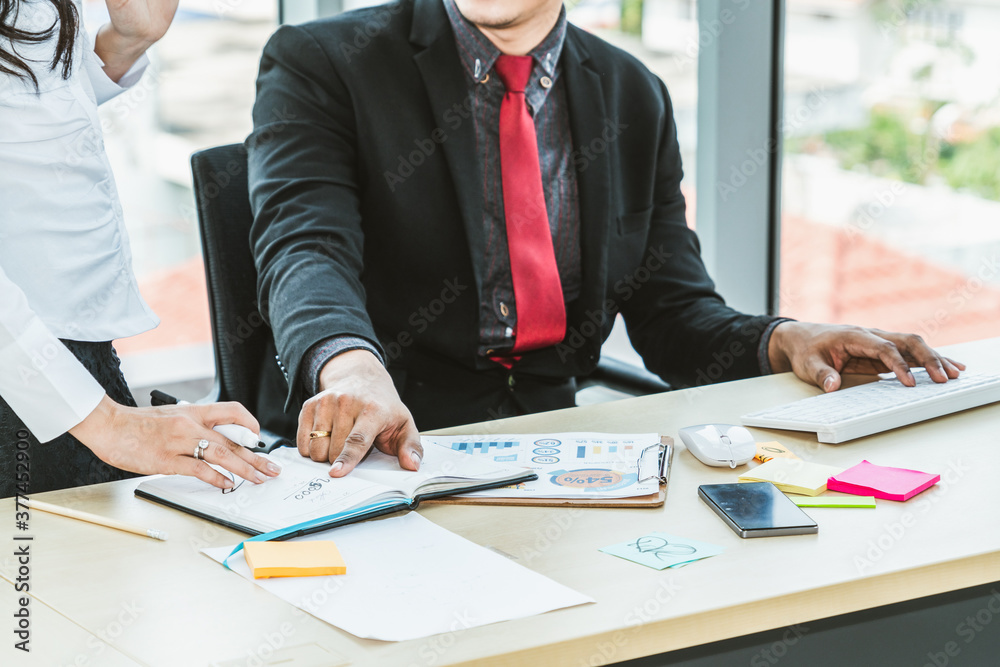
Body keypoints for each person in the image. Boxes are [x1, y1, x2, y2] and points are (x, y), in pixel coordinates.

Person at [247, 0, 964, 478]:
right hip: (371, 450)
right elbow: (304, 247)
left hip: (552, 453)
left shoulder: (632, 94)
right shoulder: (326, 62)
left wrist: (789, 339)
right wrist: (349, 369)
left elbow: (673, 314)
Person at [0, 0, 280, 498]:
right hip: (24, 377)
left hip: (67, 358)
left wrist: (124, 43)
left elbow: (28, 103)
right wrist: (107, 423)